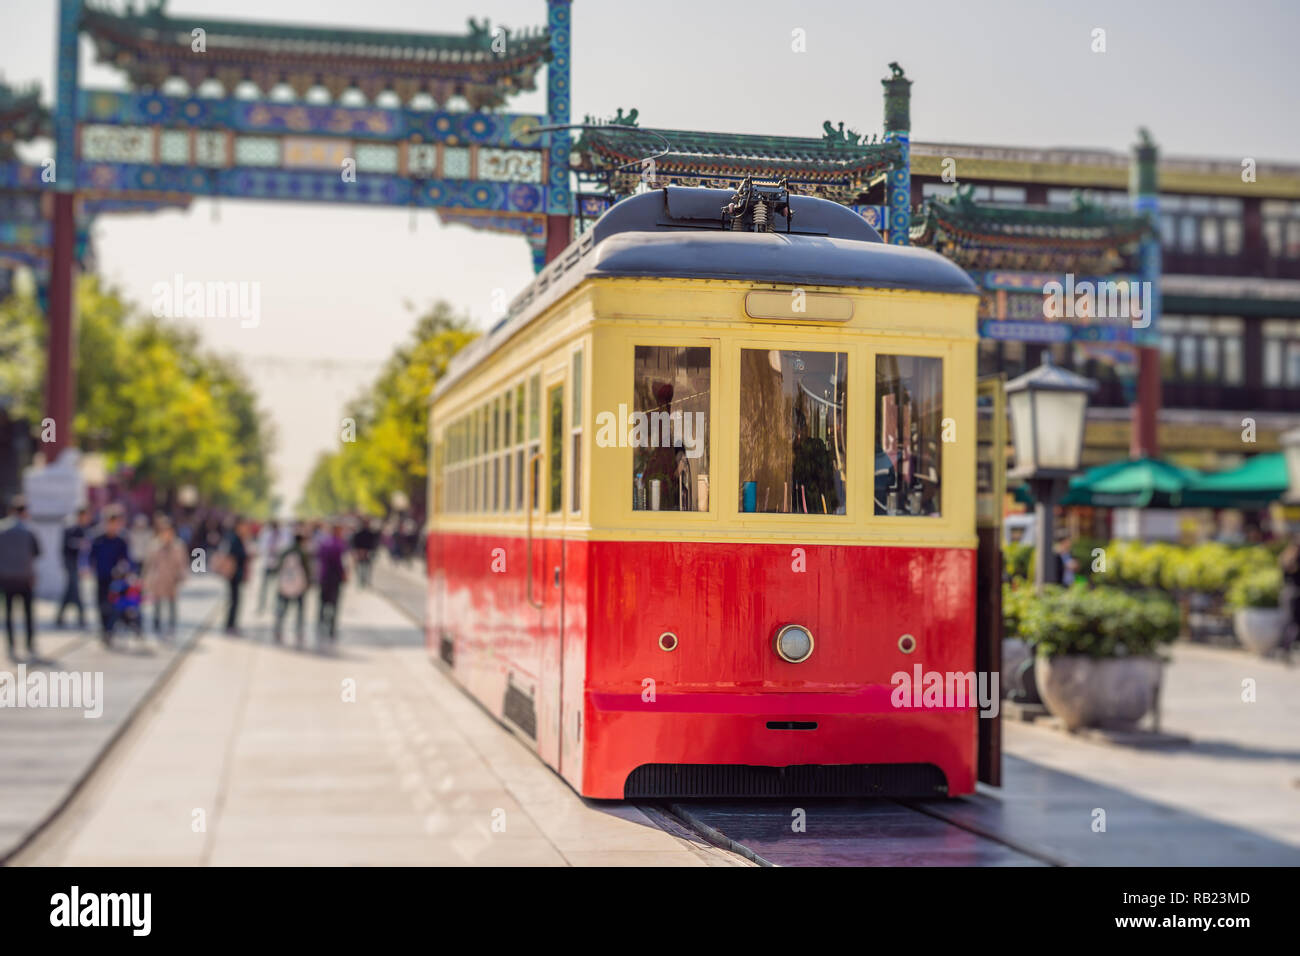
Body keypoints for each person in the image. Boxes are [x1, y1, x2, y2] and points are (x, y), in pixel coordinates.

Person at [0, 496, 41, 661]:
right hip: (25, 578)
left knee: (9, 614)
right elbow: (37, 553)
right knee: (28, 614)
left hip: (6, 577)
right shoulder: (29, 531)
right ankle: (29, 644)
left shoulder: (2, 530)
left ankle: (11, 645)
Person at [89, 506, 130, 644]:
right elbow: (90, 556)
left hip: (116, 580)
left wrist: (122, 569)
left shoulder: (121, 540)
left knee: (114, 606)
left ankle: (109, 630)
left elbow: (126, 559)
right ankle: (103, 629)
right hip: (101, 577)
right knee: (101, 605)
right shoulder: (97, 538)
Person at [143, 515, 188, 636]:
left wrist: (182, 577)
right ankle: (156, 625)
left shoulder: (178, 546)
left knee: (172, 603)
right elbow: (149, 563)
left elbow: (183, 563)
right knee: (157, 604)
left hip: (172, 579)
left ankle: (171, 626)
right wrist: (146, 579)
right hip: (158, 578)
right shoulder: (154, 545)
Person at [273, 531, 313, 645]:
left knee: (282, 608)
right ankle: (299, 630)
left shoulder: (285, 551)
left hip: (285, 584)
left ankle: (278, 628)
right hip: (299, 585)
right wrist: (308, 582)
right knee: (300, 610)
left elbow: (278, 567)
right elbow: (307, 569)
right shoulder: (302, 553)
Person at [55, 506, 91, 629]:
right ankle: (81, 617)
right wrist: (79, 543)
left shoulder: (84, 529)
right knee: (75, 590)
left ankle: (60, 617)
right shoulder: (71, 528)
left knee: (70, 591)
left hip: (78, 565)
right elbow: (67, 545)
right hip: (71, 563)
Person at [315, 522, 348, 642]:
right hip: (334, 578)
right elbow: (341, 563)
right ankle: (331, 628)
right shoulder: (339, 544)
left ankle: (320, 623)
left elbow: (318, 557)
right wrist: (344, 574)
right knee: (334, 604)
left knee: (323, 602)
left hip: (324, 576)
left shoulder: (324, 543)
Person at [218, 516, 250, 635]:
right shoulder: (234, 539)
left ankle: (231, 624)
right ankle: (229, 625)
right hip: (233, 575)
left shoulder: (239, 538)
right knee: (233, 600)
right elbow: (231, 556)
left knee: (235, 600)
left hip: (236, 574)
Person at [256, 519, 287, 611]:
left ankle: (275, 606)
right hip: (267, 563)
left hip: (277, 564)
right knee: (264, 587)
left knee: (277, 587)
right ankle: (262, 605)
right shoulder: (266, 535)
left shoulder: (282, 536)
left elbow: (284, 548)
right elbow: (262, 547)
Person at [1279, 535, 1300, 663]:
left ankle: (1285, 649)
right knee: (1294, 624)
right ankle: (1286, 650)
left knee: (1289, 623)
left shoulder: (1286, 556)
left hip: (1287, 593)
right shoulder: (1296, 558)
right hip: (1296, 594)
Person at [350, 518, 378, 588]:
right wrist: (358, 551)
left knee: (367, 568)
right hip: (360, 553)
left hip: (368, 552)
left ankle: (365, 581)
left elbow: (373, 544)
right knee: (360, 568)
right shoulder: (359, 533)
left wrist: (370, 551)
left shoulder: (371, 533)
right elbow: (355, 543)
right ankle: (360, 581)